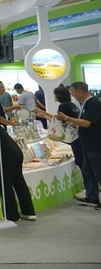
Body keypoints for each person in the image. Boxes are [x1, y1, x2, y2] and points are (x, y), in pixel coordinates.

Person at [0, 81, 36, 221]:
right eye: (1, 86)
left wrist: (11, 123)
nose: (3, 89)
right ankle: (29, 212)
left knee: (6, 183)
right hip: (16, 154)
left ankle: (12, 215)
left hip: (8, 156)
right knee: (18, 181)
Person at [57, 81, 101, 209]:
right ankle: (92, 196)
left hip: (95, 145)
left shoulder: (93, 104)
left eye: (73, 93)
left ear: (80, 92)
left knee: (98, 172)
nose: (73, 96)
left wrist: (67, 118)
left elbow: (87, 123)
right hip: (87, 144)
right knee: (88, 170)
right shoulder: (85, 104)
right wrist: (73, 122)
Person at [35, 85, 83, 170]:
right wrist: (44, 114)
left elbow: (59, 120)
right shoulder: (71, 105)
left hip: (69, 135)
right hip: (75, 134)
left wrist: (44, 114)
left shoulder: (63, 106)